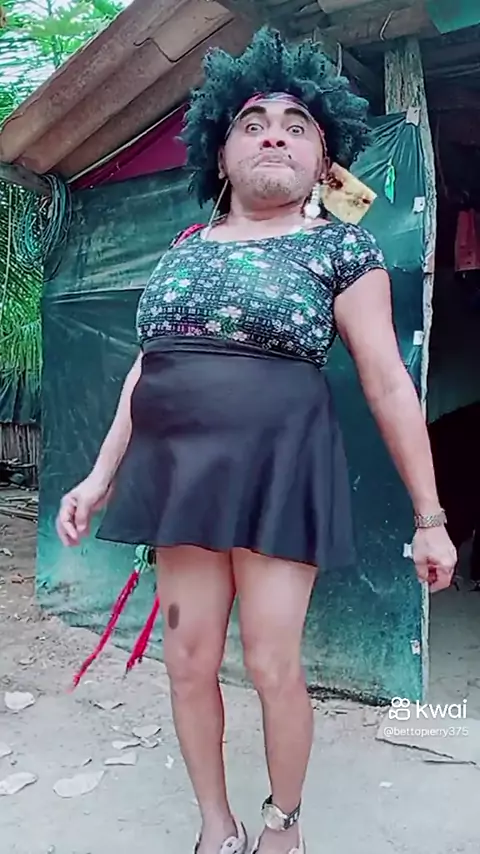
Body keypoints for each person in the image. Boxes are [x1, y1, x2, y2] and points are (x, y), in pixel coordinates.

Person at [56, 29, 457, 854]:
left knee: (274, 665)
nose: (274, 134)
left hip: (282, 472)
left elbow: (388, 382)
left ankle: (283, 823)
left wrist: (430, 516)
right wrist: (98, 478)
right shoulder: (183, 249)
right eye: (253, 123)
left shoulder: (342, 245)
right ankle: (217, 823)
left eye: (296, 126)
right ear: (221, 153)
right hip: (179, 478)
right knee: (187, 660)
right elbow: (147, 367)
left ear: (324, 163)